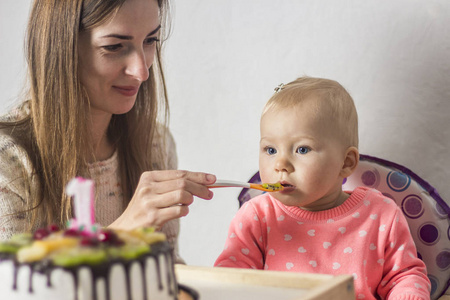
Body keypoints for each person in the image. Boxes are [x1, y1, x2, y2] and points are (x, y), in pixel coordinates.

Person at [0, 0, 216, 263]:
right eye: (114, 47)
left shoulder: (156, 145)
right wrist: (119, 235)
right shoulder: (8, 164)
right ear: (60, 47)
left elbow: (167, 277)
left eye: (150, 41)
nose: (141, 71)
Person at [214, 76, 431, 299]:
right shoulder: (257, 218)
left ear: (346, 163)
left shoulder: (381, 214)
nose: (280, 164)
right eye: (270, 150)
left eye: (302, 149)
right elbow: (231, 281)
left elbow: (404, 276)